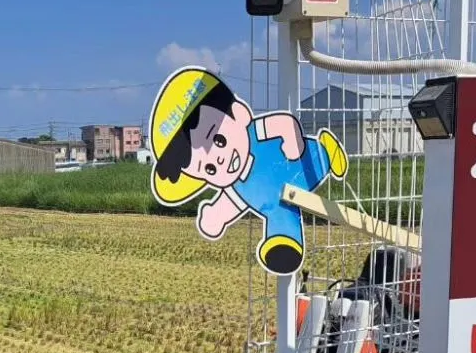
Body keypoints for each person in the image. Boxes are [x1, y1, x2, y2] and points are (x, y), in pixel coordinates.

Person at [148, 66, 348, 276]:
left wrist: (292, 140)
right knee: (282, 216)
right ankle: (283, 247)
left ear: (239, 113)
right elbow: (231, 203)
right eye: (209, 169)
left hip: (299, 163)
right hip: (275, 204)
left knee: (317, 161)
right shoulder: (235, 186)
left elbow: (283, 123)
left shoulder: (256, 132)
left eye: (219, 140)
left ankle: (328, 152)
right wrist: (216, 217)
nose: (219, 160)